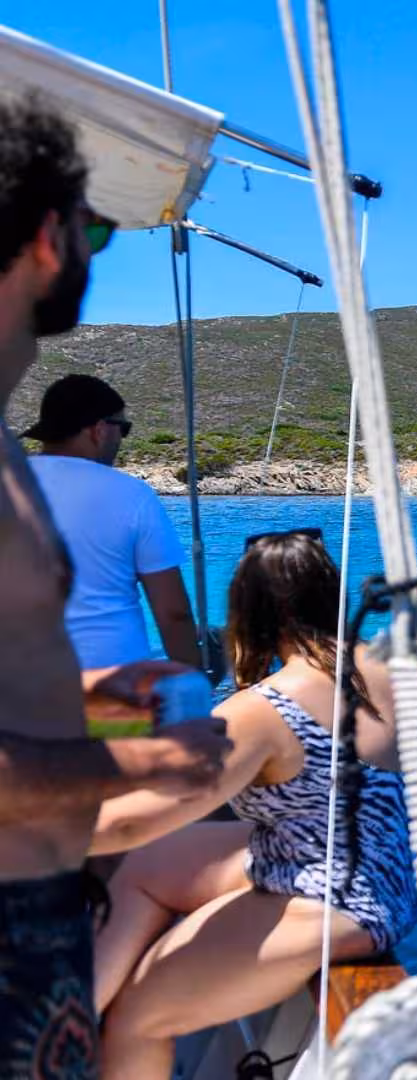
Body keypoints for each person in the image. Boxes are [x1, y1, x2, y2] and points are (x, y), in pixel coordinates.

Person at [0, 95, 232, 1077]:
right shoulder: (112, 491)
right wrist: (149, 765)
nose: (94, 248)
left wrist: (88, 697)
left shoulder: (10, 457)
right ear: (51, 236)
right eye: (95, 226)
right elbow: (176, 618)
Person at [91, 530, 417, 1079]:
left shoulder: (264, 710)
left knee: (138, 1019)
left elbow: (134, 819)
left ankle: (79, 1028)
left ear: (248, 614)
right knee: (146, 867)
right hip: (386, 878)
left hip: (334, 902)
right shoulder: (394, 672)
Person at [26, 373, 203, 671]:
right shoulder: (133, 495)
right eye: (124, 428)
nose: (122, 439)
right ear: (99, 430)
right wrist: (194, 683)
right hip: (114, 689)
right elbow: (173, 613)